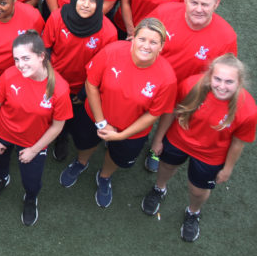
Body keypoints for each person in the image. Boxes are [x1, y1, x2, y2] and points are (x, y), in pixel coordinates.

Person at [59, 18, 177, 209]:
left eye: (153, 42)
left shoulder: (167, 78)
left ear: (161, 47)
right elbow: (91, 84)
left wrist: (121, 135)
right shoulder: (112, 51)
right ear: (133, 38)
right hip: (94, 117)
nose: (146, 46)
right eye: (142, 39)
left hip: (131, 133)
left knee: (116, 158)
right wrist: (101, 123)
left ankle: (104, 177)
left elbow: (153, 114)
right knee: (85, 143)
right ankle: (81, 162)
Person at [140, 55, 257, 242]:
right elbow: (172, 111)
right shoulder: (190, 85)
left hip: (210, 155)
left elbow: (238, 142)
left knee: (197, 190)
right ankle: (159, 188)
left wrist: (227, 169)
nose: (222, 86)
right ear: (210, 75)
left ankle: (193, 212)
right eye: (217, 79)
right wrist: (158, 139)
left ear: (240, 82)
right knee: (166, 167)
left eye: (229, 81)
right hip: (178, 140)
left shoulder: (248, 110)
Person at [0, 31, 72, 226]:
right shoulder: (9, 75)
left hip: (34, 143)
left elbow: (58, 126)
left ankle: (31, 198)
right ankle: (2, 178)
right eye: (16, 59)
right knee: (1, 163)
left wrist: (34, 150)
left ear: (41, 56)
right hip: (3, 134)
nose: (20, 64)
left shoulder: (60, 89)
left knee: (32, 180)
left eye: (26, 58)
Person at [41, 0, 118, 160]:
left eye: (93, 0)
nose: (86, 4)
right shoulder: (57, 17)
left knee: (74, 118)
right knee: (51, 111)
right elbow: (45, 48)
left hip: (83, 87)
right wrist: (50, 78)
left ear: (99, 4)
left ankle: (64, 136)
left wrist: (84, 91)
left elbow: (103, 68)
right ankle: (57, 135)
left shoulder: (109, 32)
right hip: (55, 79)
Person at [151, 0, 238, 83]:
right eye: (194, 2)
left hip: (189, 96)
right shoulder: (163, 14)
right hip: (152, 84)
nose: (198, 9)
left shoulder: (227, 38)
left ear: (216, 3)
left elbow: (226, 75)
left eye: (205, 4)